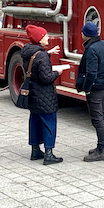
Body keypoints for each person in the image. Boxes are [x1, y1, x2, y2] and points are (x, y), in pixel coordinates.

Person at [21, 25, 67, 165]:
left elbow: (36, 62)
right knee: (49, 122)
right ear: (40, 39)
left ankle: (35, 151)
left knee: (35, 121)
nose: (48, 37)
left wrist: (48, 53)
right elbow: (46, 78)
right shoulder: (41, 55)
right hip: (45, 95)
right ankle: (49, 154)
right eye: (45, 35)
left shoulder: (29, 52)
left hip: (33, 95)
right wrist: (57, 73)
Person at [76, 22, 104, 162]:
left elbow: (91, 73)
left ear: (86, 35)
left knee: (97, 119)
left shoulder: (91, 49)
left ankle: (101, 150)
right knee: (103, 116)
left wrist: (86, 87)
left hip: (95, 89)